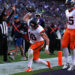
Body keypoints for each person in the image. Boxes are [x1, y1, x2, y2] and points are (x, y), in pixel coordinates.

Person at [62, 0, 75, 71]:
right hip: (68, 29)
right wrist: (66, 27)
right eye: (66, 4)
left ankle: (73, 63)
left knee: (72, 47)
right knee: (63, 45)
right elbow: (67, 20)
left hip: (74, 30)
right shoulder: (66, 11)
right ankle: (67, 62)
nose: (67, 6)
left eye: (68, 4)